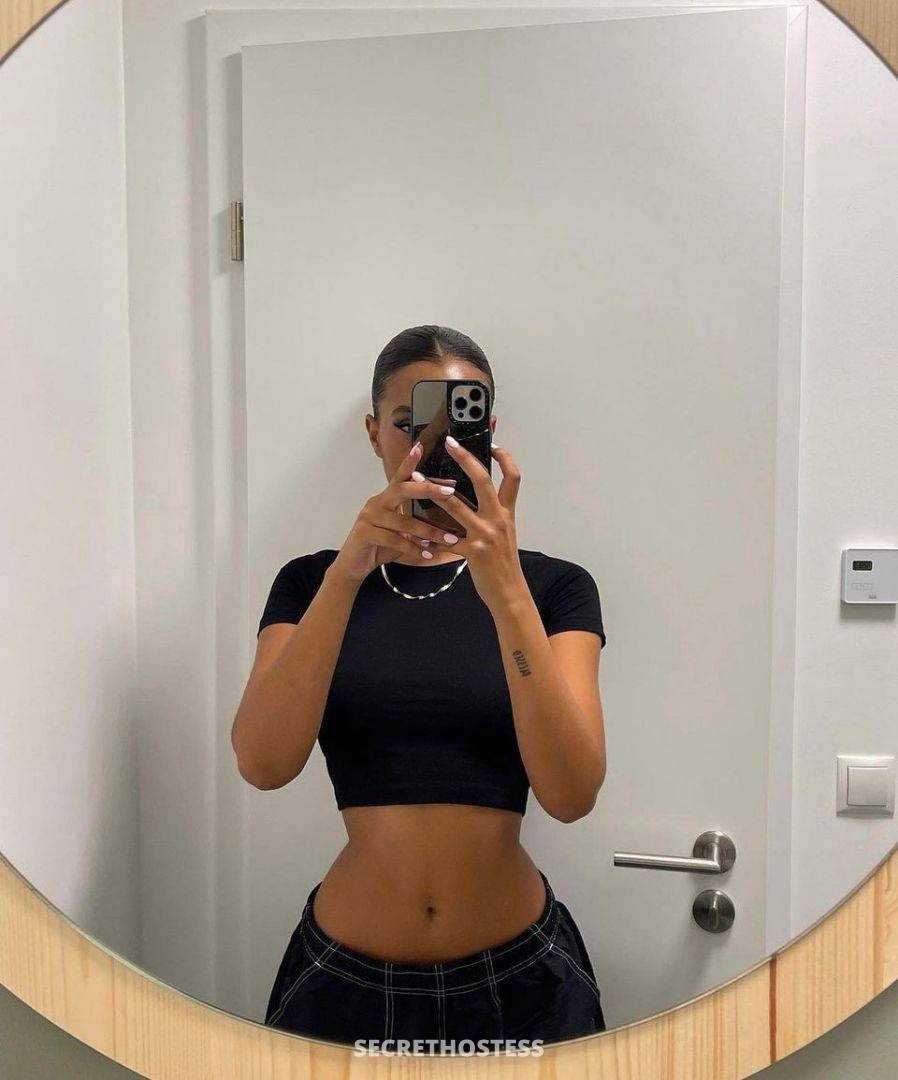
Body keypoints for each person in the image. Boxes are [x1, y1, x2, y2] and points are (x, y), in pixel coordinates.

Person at [232, 325, 608, 1050]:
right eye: (408, 423)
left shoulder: (553, 587)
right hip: (342, 983)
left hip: (523, 980)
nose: (428, 445)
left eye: (454, 424)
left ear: (487, 432)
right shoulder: (309, 582)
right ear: (374, 432)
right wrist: (348, 572)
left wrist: (508, 594)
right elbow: (262, 763)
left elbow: (571, 794)